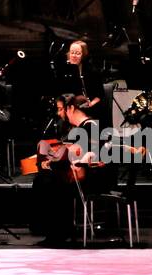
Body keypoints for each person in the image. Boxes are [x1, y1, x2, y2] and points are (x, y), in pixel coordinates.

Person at [29, 94, 114, 243]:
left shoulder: (91, 126)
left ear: (71, 108)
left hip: (94, 176)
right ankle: (52, 230)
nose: (60, 114)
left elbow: (95, 154)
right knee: (43, 179)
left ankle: (59, 233)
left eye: (62, 109)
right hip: (80, 173)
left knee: (50, 182)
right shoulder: (78, 128)